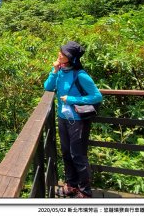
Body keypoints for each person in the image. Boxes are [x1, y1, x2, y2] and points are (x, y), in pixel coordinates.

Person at [44, 41, 102, 198]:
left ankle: (84, 191)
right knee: (66, 153)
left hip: (78, 120)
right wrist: (54, 71)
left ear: (70, 58)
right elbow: (48, 87)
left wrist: (71, 99)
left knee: (78, 155)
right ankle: (71, 185)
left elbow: (97, 96)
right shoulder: (60, 71)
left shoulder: (80, 75)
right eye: (60, 51)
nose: (59, 54)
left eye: (62, 54)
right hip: (63, 118)